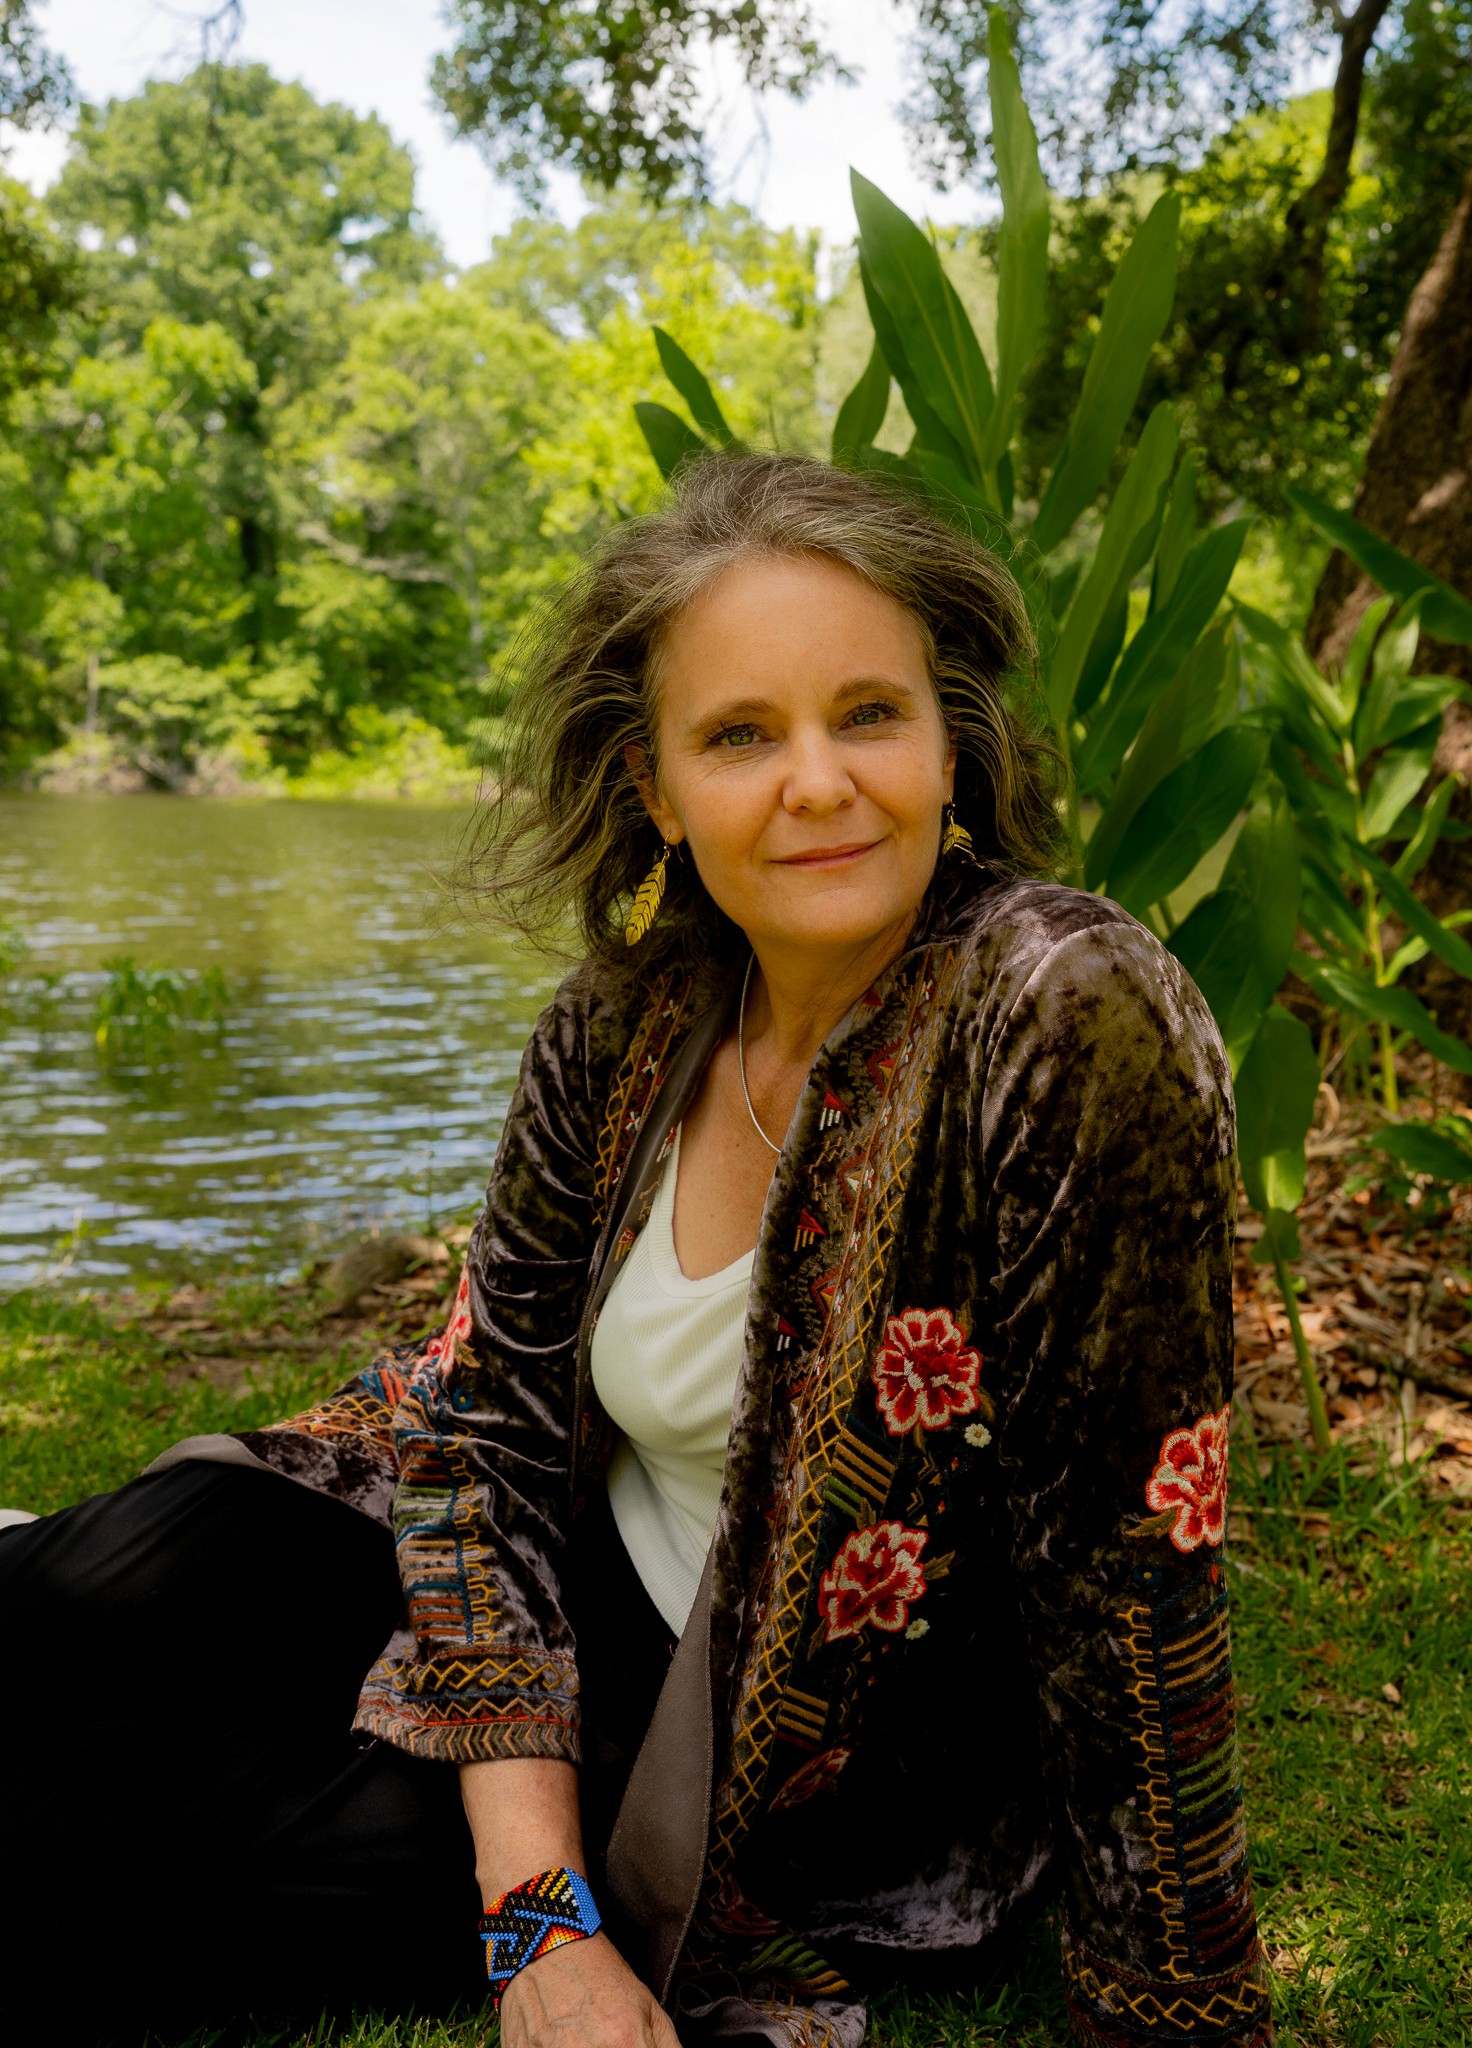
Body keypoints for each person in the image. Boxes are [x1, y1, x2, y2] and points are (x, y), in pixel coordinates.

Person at [0, 453, 1272, 2048]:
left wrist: (1177, 2006)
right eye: (741, 735)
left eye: (868, 714)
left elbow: (1135, 1579)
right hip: (489, 1523)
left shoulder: (1061, 1013)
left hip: (739, 1727)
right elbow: (489, 1435)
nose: (816, 783)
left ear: (955, 747)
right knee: (89, 1596)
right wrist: (539, 1918)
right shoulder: (625, 1020)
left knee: (83, 1848)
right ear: (658, 789)